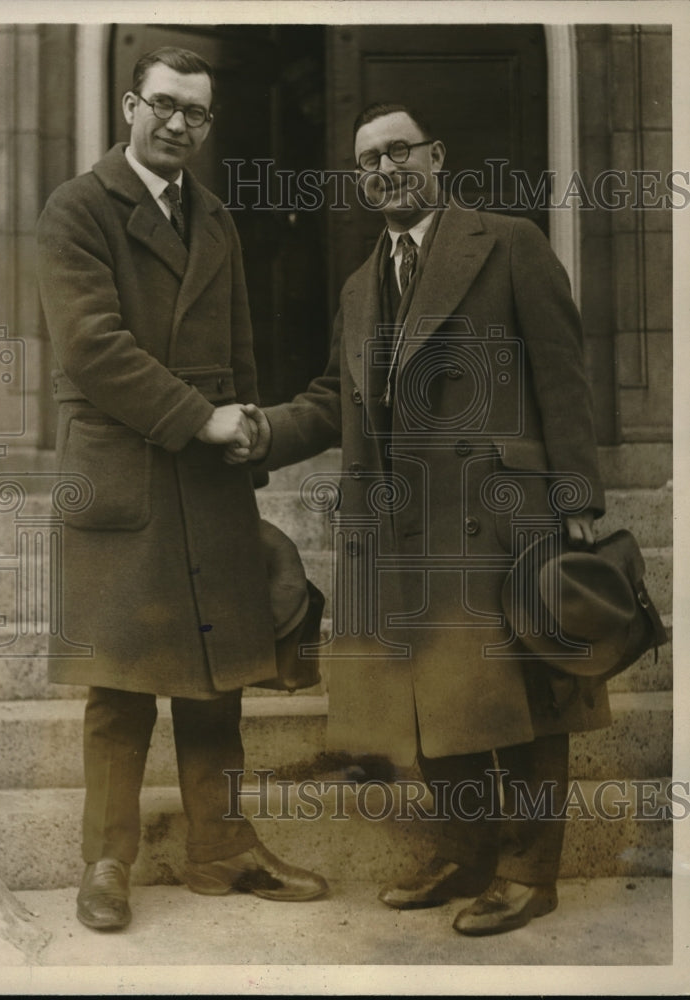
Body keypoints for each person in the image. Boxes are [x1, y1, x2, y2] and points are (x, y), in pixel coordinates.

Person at [231, 101, 611, 936]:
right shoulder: (361, 283)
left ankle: (528, 871)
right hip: (400, 527)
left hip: (501, 515)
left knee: (528, 698)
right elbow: (336, 397)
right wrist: (259, 431)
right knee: (435, 700)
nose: (382, 171)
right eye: (365, 162)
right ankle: (467, 853)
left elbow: (561, 374)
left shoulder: (507, 242)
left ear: (436, 156)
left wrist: (577, 498)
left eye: (397, 152)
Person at [35, 46, 327, 932]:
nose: (178, 125)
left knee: (217, 679)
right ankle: (106, 863)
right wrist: (199, 418)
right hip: (122, 472)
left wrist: (244, 443)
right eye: (163, 104)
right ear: (130, 104)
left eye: (196, 113)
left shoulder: (215, 218)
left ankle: (221, 852)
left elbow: (239, 344)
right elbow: (91, 347)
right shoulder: (78, 208)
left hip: (206, 479)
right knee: (118, 686)